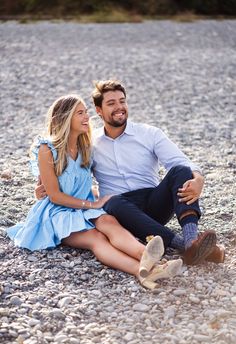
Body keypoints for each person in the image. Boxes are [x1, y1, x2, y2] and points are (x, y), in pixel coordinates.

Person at [36, 81, 225, 265]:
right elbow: (69, 170)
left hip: (154, 203)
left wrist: (199, 178)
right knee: (113, 201)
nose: (119, 107)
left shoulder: (149, 134)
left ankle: (191, 241)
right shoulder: (90, 144)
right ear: (99, 110)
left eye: (122, 101)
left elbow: (180, 161)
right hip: (121, 210)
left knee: (181, 171)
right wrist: (41, 189)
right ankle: (185, 247)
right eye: (111, 103)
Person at [7, 94, 183, 290]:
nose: (86, 118)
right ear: (65, 118)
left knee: (109, 222)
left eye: (86, 113)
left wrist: (97, 196)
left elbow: (82, 181)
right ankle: (142, 272)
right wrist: (92, 204)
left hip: (84, 207)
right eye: (80, 113)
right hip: (58, 213)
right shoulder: (47, 149)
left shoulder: (85, 148)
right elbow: (54, 195)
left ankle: (150, 259)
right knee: (96, 239)